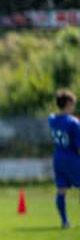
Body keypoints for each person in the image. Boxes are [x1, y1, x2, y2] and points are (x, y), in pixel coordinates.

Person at [48, 88, 80, 229]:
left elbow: (53, 118)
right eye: (73, 104)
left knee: (61, 189)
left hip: (58, 156)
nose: (74, 107)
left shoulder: (52, 119)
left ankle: (64, 221)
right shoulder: (73, 123)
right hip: (71, 157)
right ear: (67, 104)